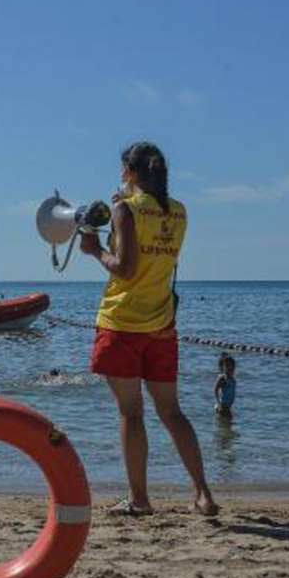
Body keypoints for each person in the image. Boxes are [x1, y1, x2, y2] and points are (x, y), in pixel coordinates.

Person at [79, 141, 218, 517]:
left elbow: (125, 268)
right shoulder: (179, 212)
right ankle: (203, 494)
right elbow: (152, 242)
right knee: (172, 412)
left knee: (131, 413)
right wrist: (123, 207)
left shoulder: (126, 210)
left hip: (122, 322)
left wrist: (94, 250)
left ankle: (140, 499)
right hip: (161, 325)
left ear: (130, 172)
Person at [214, 353, 237, 418]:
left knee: (226, 424)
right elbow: (215, 390)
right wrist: (218, 403)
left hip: (227, 406)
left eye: (232, 366)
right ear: (222, 367)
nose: (230, 368)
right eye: (227, 366)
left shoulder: (231, 378)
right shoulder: (223, 377)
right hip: (222, 406)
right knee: (228, 422)